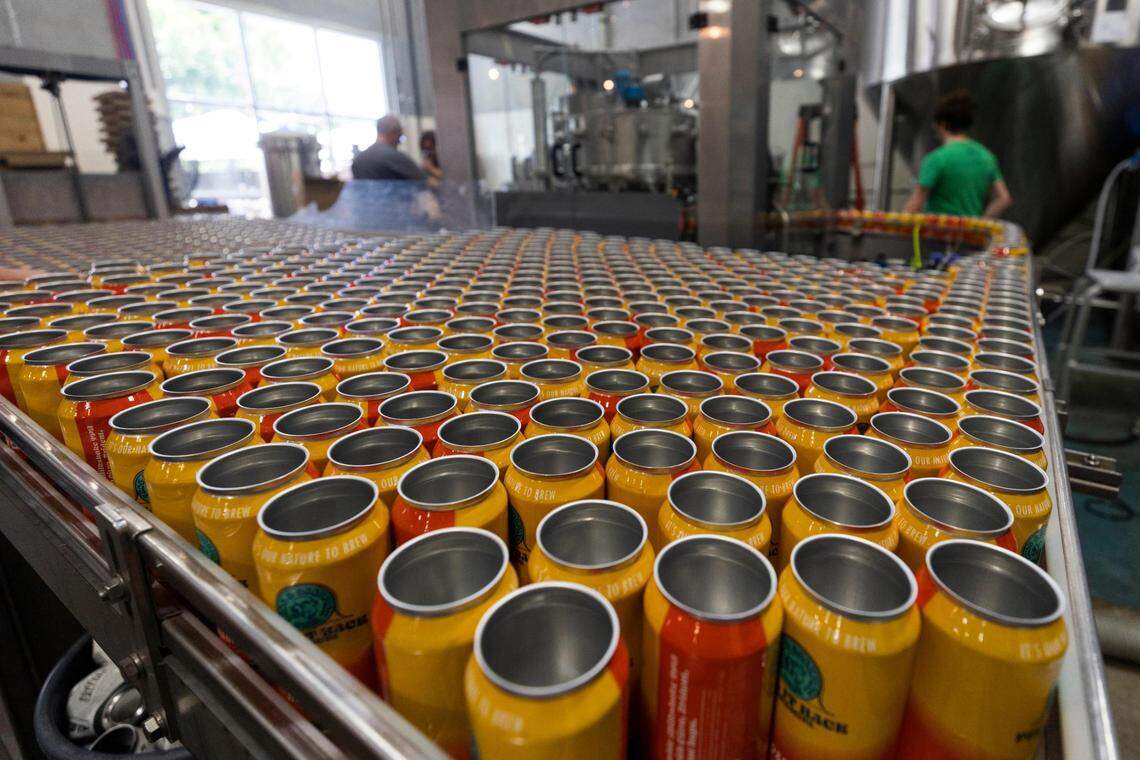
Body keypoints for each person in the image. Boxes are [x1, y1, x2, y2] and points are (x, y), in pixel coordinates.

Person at [903, 90, 1012, 219]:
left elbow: (915, 204)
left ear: (942, 125)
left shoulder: (937, 158)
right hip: (970, 236)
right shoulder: (986, 157)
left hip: (938, 235)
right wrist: (981, 223)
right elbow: (1003, 199)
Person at [351, 115, 426, 182]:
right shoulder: (395, 157)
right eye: (400, 135)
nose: (399, 141)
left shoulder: (358, 160)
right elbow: (424, 181)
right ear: (394, 132)